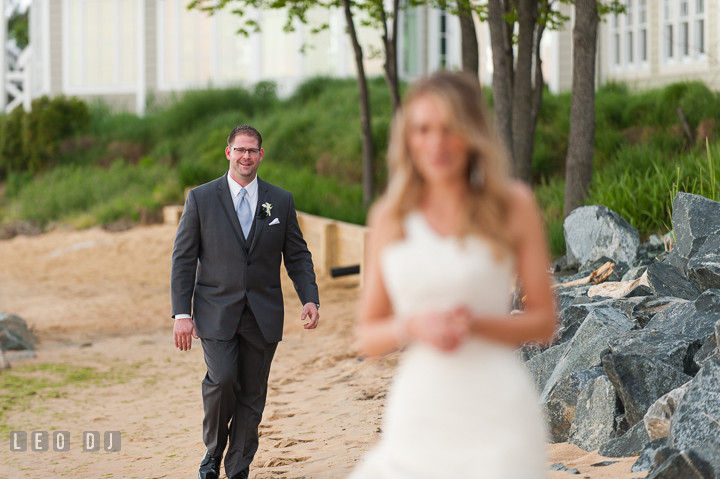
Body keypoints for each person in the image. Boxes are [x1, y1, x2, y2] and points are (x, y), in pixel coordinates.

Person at [350, 72, 557, 478]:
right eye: (422, 130)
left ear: (473, 132)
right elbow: (367, 336)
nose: (435, 144)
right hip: (420, 411)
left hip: (498, 412)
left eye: (449, 129)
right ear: (407, 138)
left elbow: (545, 322)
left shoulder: (514, 205)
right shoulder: (389, 217)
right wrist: (413, 324)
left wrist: (476, 323)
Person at [170, 125, 320, 479]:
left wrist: (310, 298)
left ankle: (238, 469)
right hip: (216, 311)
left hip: (263, 315)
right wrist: (181, 313)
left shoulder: (279, 200)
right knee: (222, 381)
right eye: (240, 150)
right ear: (228, 153)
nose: (246, 157)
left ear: (261, 155)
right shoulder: (201, 198)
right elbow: (183, 259)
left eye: (252, 151)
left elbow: (297, 256)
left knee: (252, 395)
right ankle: (213, 452)